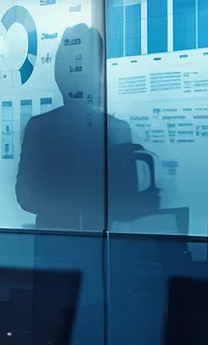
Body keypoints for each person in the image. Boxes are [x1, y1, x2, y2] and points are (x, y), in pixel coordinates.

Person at [16, 24, 132, 231]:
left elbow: (27, 197)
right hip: (95, 241)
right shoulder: (117, 130)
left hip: (53, 243)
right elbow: (126, 202)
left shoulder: (39, 128)